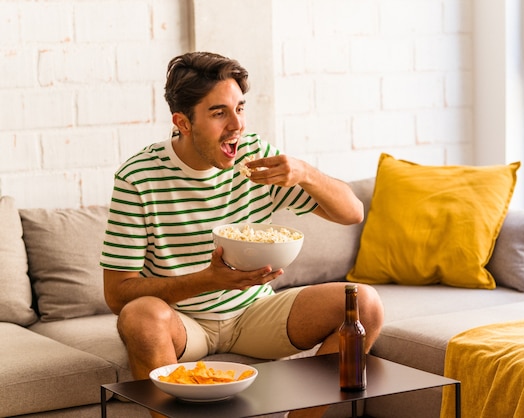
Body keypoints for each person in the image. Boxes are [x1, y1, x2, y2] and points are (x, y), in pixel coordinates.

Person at [100, 51, 384, 418]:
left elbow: (352, 213)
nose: (237, 125)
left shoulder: (253, 159)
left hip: (255, 312)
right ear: (183, 122)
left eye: (240, 108)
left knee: (365, 304)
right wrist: (210, 280)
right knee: (140, 316)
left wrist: (304, 172)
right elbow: (116, 294)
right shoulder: (138, 177)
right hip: (184, 322)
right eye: (219, 113)